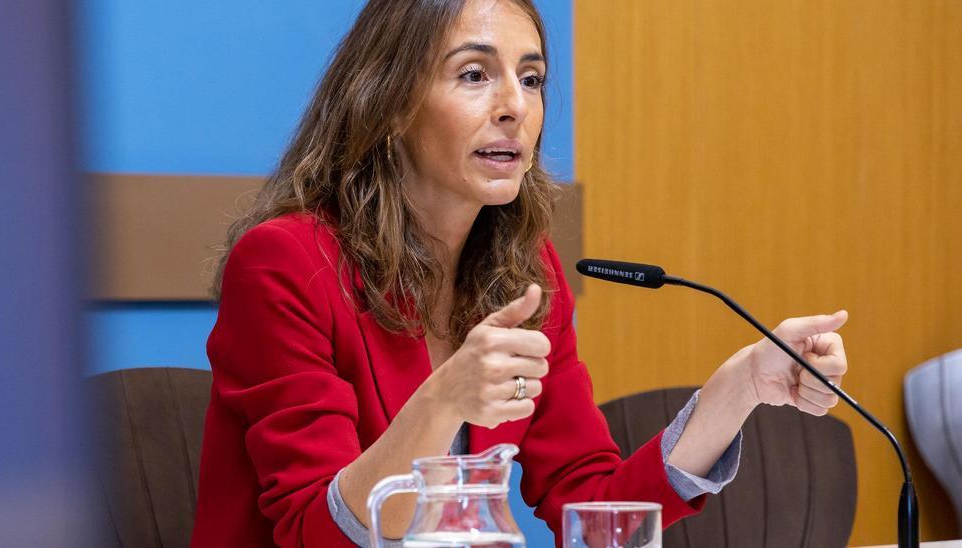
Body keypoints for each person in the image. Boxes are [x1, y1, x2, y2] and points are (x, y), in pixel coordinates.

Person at [191, 0, 850, 546]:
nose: (514, 105)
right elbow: (315, 532)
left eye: (530, 78)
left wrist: (736, 390)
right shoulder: (285, 263)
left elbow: (591, 507)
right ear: (389, 102)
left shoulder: (525, 276)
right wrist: (444, 399)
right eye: (475, 75)